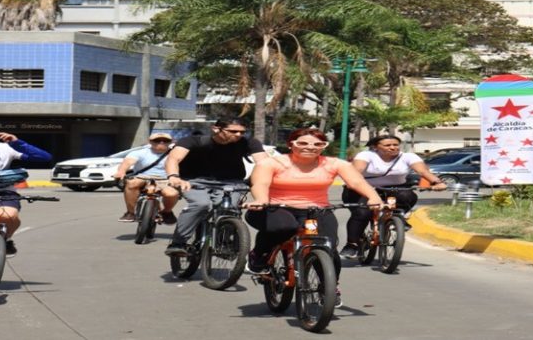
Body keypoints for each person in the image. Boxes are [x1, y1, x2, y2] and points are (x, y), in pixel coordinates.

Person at [245, 127, 384, 307]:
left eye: (318, 144)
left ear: (324, 146)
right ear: (291, 144)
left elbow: (356, 181)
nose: (310, 147)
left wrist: (374, 197)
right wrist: (261, 199)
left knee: (328, 247)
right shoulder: (272, 163)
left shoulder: (334, 163)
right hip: (274, 207)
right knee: (283, 227)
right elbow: (261, 183)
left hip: (317, 209)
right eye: (302, 143)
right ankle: (259, 255)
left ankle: (329, 286)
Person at [163, 118, 269, 256]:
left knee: (230, 209)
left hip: (231, 182)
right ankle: (178, 243)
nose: (238, 135)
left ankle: (225, 242)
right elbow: (173, 159)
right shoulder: (194, 141)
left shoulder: (248, 142)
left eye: (242, 132)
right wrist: (173, 176)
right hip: (195, 181)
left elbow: (265, 163)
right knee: (201, 204)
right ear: (216, 129)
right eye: (233, 131)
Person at [339, 134, 446, 259]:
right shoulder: (366, 155)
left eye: (395, 145)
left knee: (408, 196)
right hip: (363, 188)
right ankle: (352, 245)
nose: (392, 147)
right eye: (387, 145)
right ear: (375, 147)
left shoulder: (408, 156)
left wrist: (437, 182)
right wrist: (357, 185)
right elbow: (355, 173)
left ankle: (397, 217)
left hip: (394, 188)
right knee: (362, 214)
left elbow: (423, 171)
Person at [0, 120, 52, 255]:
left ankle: (5, 240)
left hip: (4, 191)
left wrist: (17, 143)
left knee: (11, 216)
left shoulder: (5, 148)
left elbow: (44, 157)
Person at [112, 132, 180, 224]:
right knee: (132, 183)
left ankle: (167, 212)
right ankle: (130, 213)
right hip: (142, 177)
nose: (161, 142)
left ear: (170, 142)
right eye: (157, 140)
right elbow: (127, 163)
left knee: (171, 194)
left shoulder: (176, 154)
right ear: (150, 142)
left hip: (166, 179)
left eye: (165, 141)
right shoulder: (140, 152)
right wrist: (121, 171)